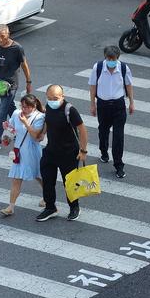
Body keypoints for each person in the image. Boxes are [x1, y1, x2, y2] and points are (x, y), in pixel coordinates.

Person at [36, 85, 89, 222]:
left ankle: (74, 207)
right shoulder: (49, 107)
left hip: (68, 153)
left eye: (55, 98)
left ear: (62, 97)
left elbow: (82, 130)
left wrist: (83, 151)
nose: (52, 101)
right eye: (49, 98)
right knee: (47, 180)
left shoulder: (69, 110)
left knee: (69, 183)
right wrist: (42, 133)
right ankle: (50, 208)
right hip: (51, 151)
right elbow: (48, 121)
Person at [0, 24, 33, 153]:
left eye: (3, 36)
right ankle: (24, 129)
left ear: (8, 34)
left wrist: (28, 81)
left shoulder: (17, 48)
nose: (0, 39)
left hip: (11, 86)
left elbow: (24, 65)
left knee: (1, 114)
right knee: (12, 110)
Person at [88, 46, 135, 179]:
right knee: (103, 131)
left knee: (118, 137)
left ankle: (119, 166)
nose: (110, 61)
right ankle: (103, 151)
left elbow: (129, 85)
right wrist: (92, 104)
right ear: (105, 57)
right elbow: (92, 86)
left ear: (117, 58)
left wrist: (131, 102)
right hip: (103, 106)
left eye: (113, 59)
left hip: (119, 106)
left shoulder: (124, 68)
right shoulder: (97, 68)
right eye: (108, 58)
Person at [0, 94, 45, 217]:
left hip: (32, 151)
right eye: (22, 106)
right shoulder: (16, 114)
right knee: (16, 178)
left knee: (39, 175)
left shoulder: (39, 117)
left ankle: (47, 196)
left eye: (27, 107)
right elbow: (11, 129)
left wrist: (25, 122)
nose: (24, 109)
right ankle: (11, 206)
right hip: (18, 150)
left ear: (34, 106)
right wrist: (6, 137)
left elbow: (35, 136)